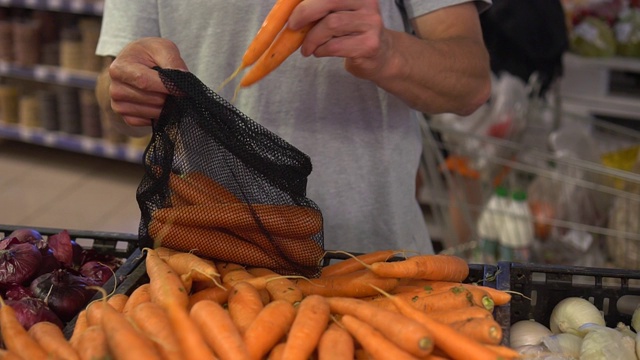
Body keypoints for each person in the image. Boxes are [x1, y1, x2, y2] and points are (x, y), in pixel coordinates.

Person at [95, 0, 492, 255]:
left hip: (373, 261)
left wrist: (389, 52)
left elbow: (472, 84)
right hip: (206, 249)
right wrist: (126, 90)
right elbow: (111, 90)